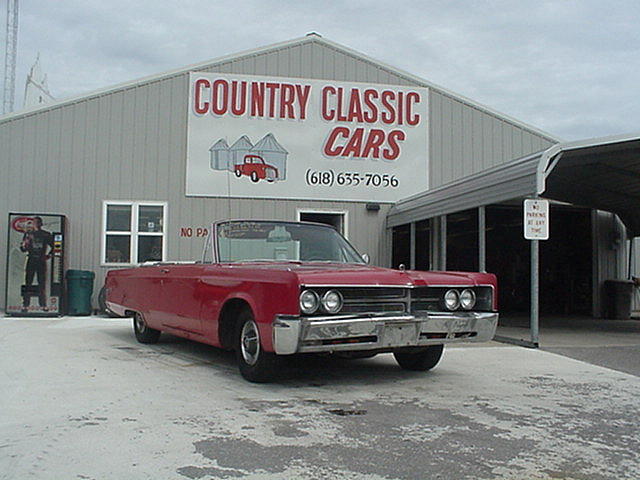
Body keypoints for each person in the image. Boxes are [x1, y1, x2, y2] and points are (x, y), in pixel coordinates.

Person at [20, 217, 53, 311]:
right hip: (31, 259)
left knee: (41, 282)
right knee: (28, 282)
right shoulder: (28, 234)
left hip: (41, 260)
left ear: (39, 224)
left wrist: (48, 255)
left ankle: (43, 304)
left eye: (35, 223)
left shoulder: (45, 234)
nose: (33, 225)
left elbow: (55, 246)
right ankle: (25, 304)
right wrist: (24, 244)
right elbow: (23, 249)